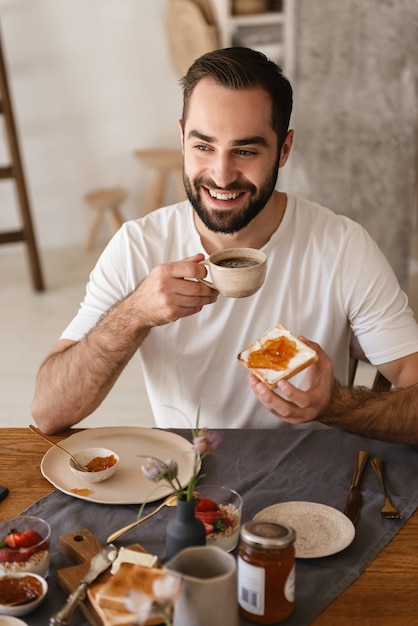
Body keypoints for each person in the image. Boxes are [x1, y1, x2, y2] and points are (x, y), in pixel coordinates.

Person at [31, 47, 418, 443]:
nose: (221, 175)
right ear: (181, 138)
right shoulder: (137, 246)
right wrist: (134, 314)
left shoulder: (342, 247)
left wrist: (334, 405)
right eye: (203, 146)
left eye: (246, 151)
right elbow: (49, 411)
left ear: (284, 149)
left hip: (314, 489)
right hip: (189, 482)